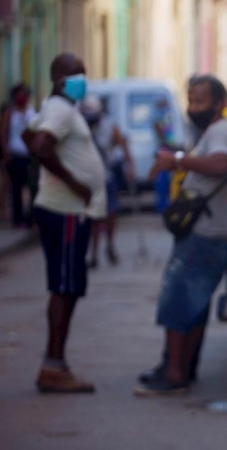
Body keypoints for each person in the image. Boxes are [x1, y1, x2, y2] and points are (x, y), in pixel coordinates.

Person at [134, 75, 227, 396]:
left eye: (200, 101)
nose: (193, 107)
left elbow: (220, 163)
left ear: (218, 103)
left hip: (203, 235)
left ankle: (173, 376)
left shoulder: (219, 132)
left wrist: (178, 160)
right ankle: (179, 370)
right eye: (191, 100)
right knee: (193, 305)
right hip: (215, 232)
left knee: (176, 305)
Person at [21, 53, 107, 393]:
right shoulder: (59, 107)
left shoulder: (55, 107)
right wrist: (74, 183)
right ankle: (53, 366)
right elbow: (41, 147)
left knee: (67, 287)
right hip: (67, 210)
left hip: (67, 209)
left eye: (84, 73)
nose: (82, 80)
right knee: (65, 288)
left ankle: (56, 363)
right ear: (59, 79)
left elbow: (30, 137)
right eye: (75, 75)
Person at [80, 94, 135, 268]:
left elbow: (122, 144)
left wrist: (129, 165)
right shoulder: (81, 126)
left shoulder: (109, 125)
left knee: (111, 214)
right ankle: (94, 253)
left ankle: (110, 246)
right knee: (94, 217)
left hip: (107, 176)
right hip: (90, 179)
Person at [1, 83, 38, 228]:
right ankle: (18, 219)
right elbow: (3, 133)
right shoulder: (10, 113)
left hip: (29, 156)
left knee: (32, 188)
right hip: (15, 156)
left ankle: (30, 218)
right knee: (15, 188)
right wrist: (6, 153)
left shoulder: (31, 112)